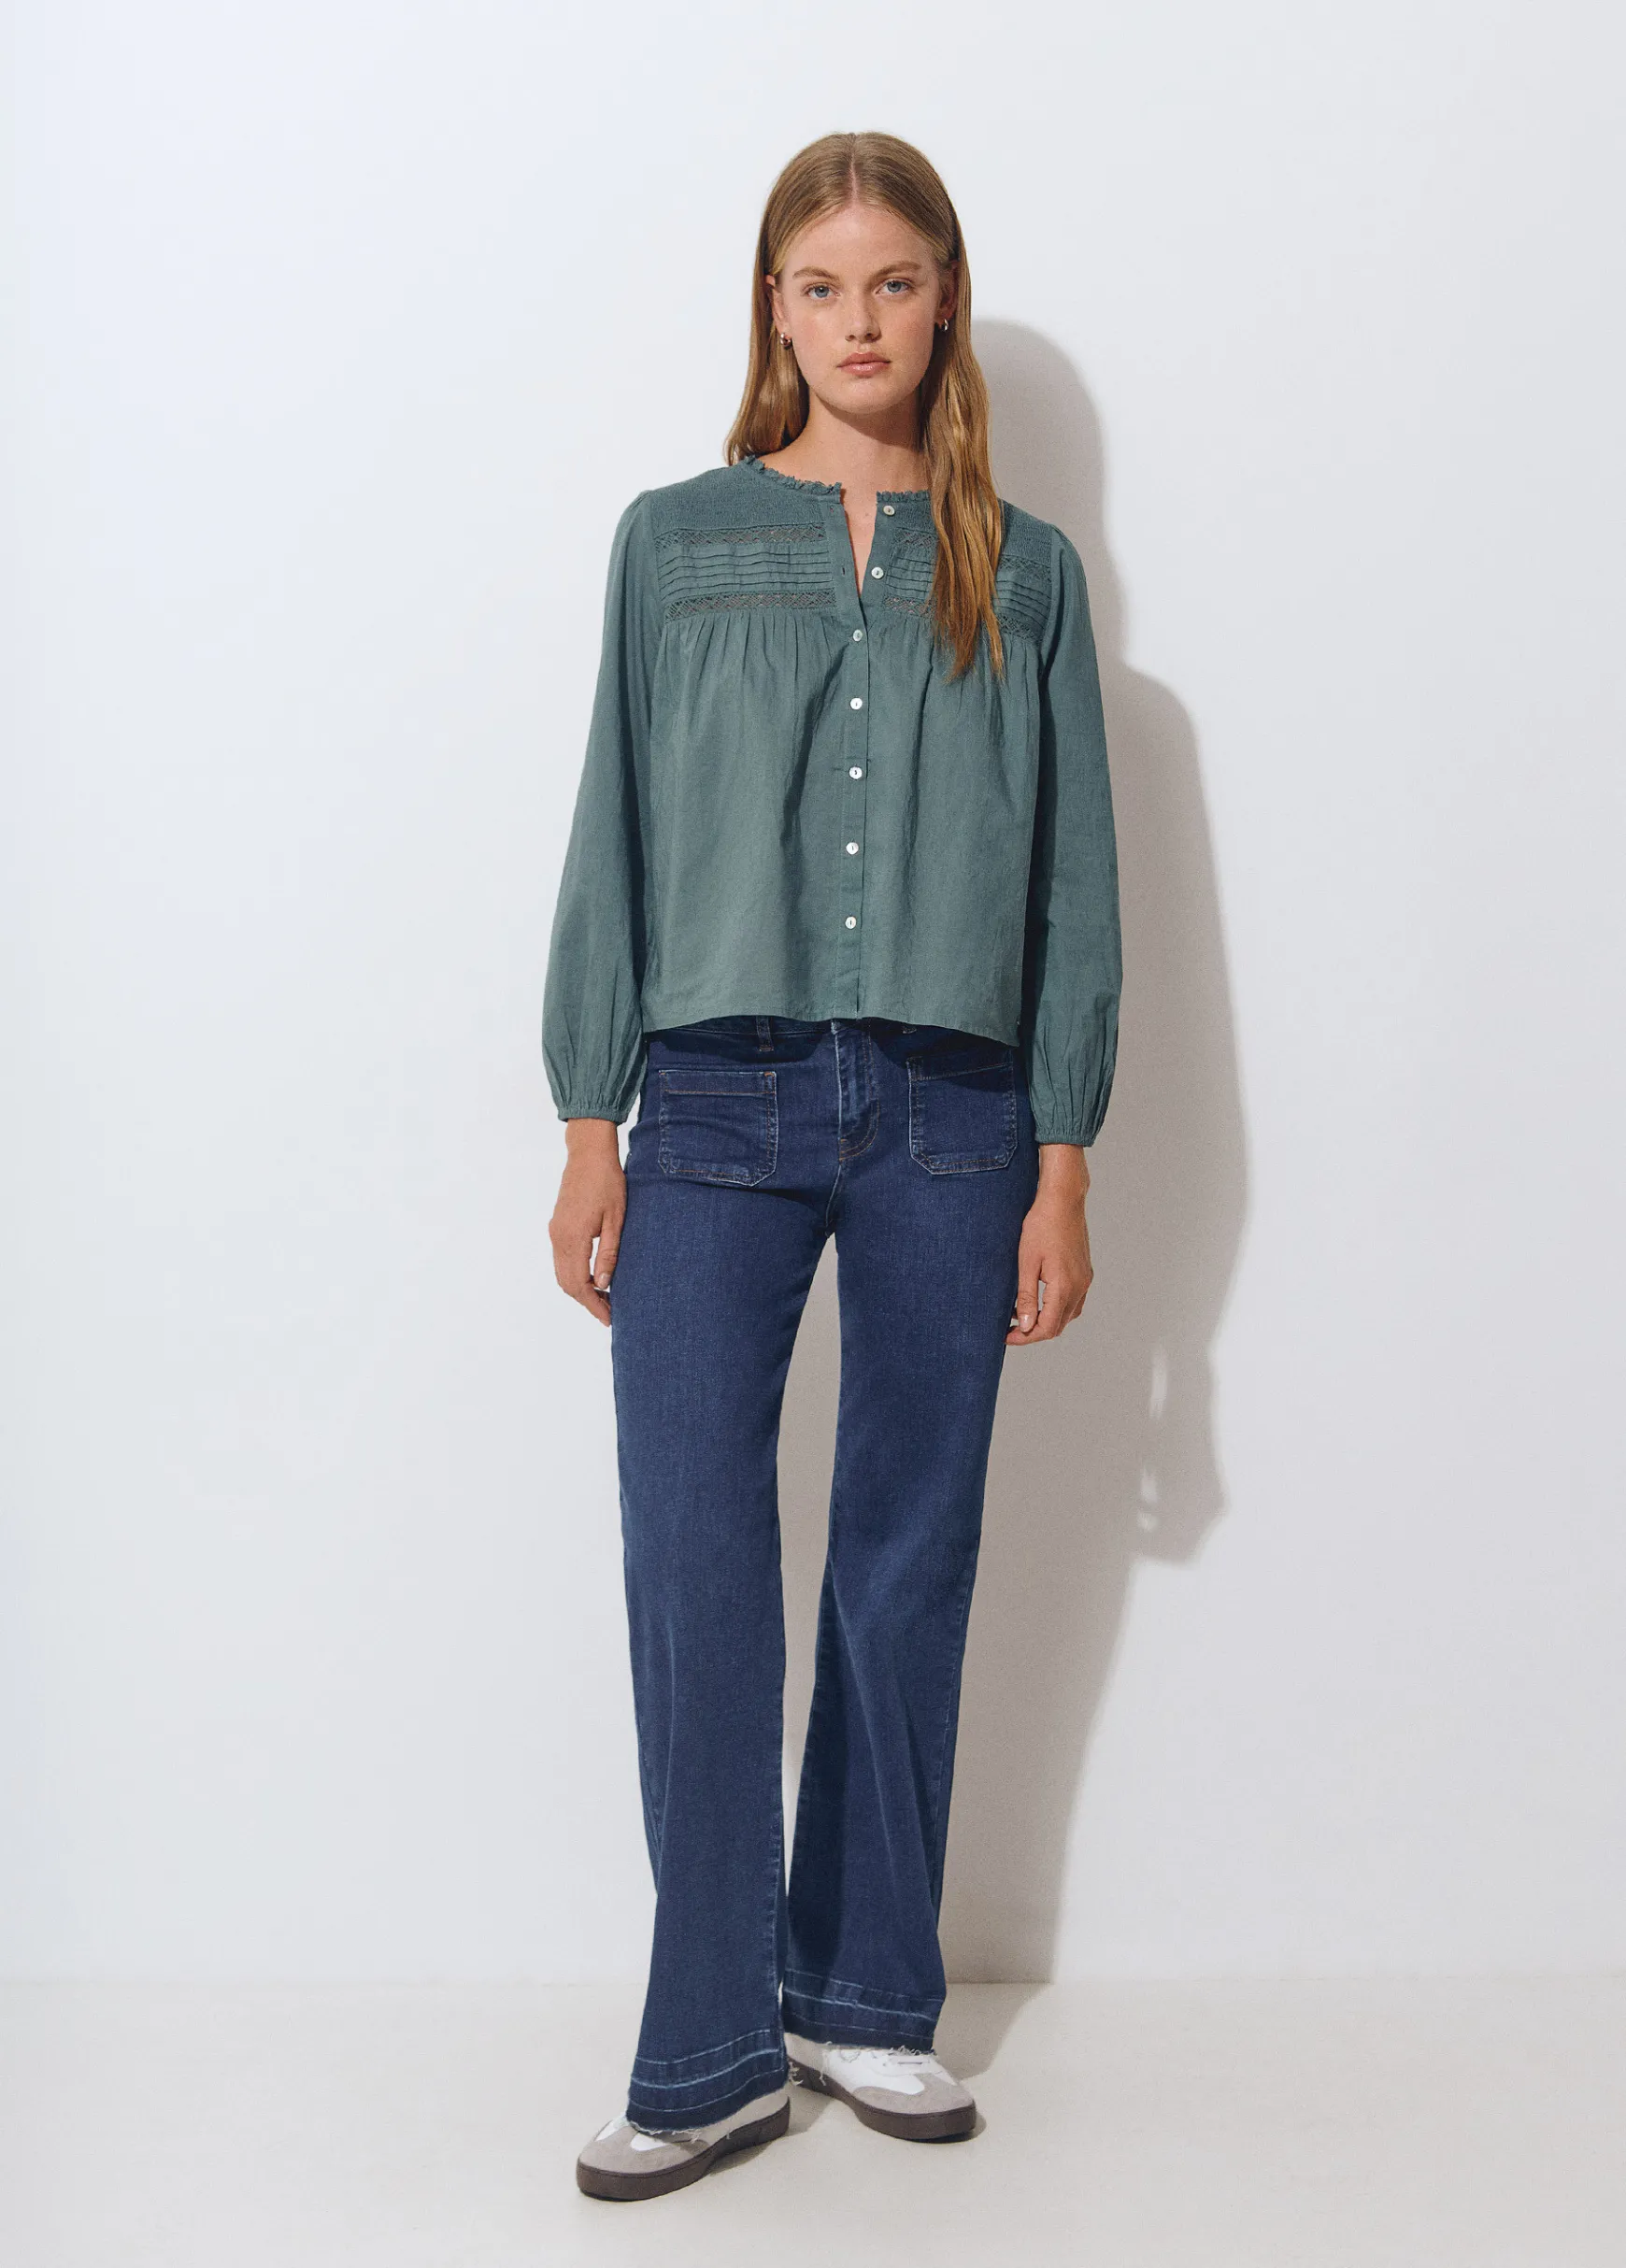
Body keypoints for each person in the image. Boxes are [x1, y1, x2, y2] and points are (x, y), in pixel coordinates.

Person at [543, 129, 1121, 2204]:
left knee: (906, 1553)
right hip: (714, 1103)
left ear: (943, 299)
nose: (857, 319)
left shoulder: (1026, 572)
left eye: (892, 281)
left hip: (957, 1114)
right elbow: (612, 823)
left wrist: (1066, 1157)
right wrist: (588, 1117)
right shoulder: (673, 542)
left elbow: (1074, 884)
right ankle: (707, 2045)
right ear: (773, 311)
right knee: (695, 1559)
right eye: (820, 285)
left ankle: (866, 1992)